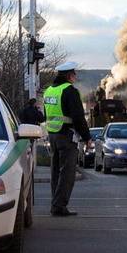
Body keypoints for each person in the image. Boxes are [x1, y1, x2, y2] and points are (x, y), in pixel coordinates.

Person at [43, 62, 91, 216]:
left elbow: (46, 114)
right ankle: (59, 206)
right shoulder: (70, 91)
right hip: (66, 135)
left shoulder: (49, 91)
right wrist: (87, 137)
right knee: (67, 173)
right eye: (74, 74)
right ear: (69, 75)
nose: (75, 77)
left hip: (52, 134)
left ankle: (55, 203)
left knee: (55, 171)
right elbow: (78, 117)